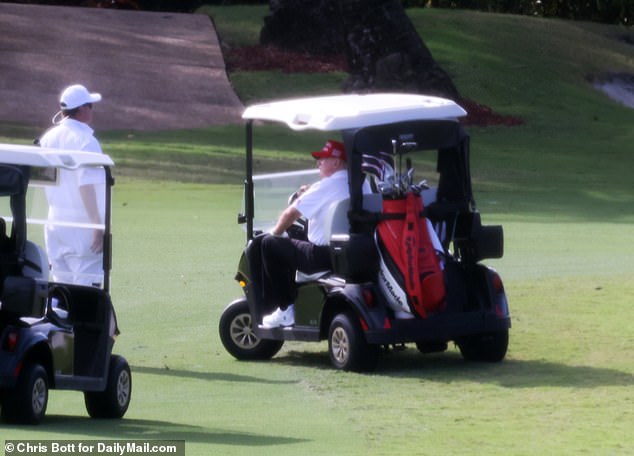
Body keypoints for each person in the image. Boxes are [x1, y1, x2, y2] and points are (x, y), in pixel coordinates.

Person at [256, 139, 368, 328]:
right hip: (354, 252)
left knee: (269, 244)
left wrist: (276, 233)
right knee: (294, 240)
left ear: (337, 162)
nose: (318, 163)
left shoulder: (325, 186)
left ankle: (285, 310)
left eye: (323, 159)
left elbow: (290, 213)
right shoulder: (361, 184)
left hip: (322, 256)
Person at [39, 84, 106, 286]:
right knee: (86, 288)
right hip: (82, 225)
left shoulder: (46, 139)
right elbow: (85, 185)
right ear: (82, 109)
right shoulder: (86, 141)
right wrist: (97, 225)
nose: (92, 110)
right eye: (90, 106)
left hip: (54, 224)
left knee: (61, 287)